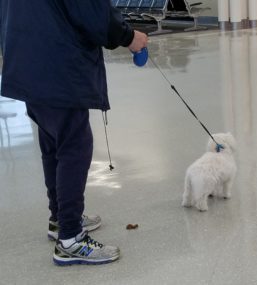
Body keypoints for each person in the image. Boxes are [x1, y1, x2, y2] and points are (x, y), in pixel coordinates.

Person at [0, 0, 148, 265]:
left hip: (25, 56)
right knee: (75, 146)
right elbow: (93, 13)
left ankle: (60, 219)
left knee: (53, 141)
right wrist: (129, 37)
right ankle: (70, 239)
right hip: (56, 61)